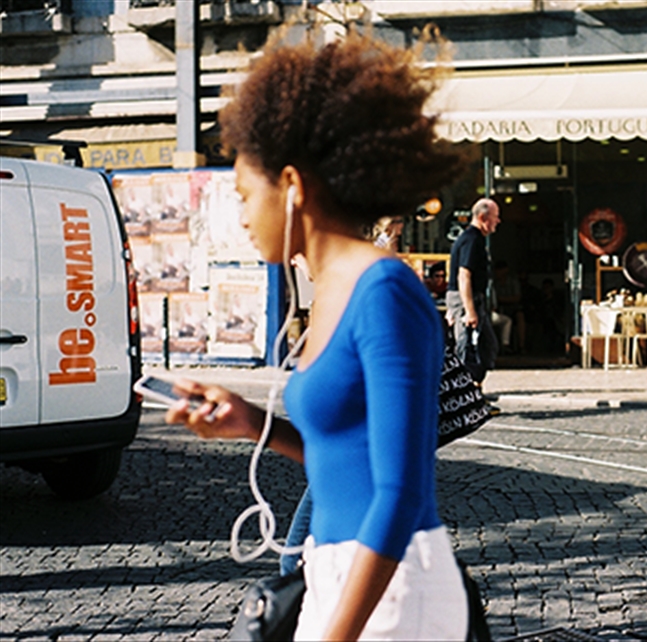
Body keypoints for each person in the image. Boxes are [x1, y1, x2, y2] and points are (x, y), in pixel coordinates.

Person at [165, 31, 469, 640]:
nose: (244, 216)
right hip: (339, 573)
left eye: (246, 196)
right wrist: (250, 423)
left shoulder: (384, 291)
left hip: (391, 587)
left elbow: (401, 491)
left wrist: (337, 634)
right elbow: (341, 457)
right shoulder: (331, 289)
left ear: (294, 186)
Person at [446, 197, 500, 384]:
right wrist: (469, 311)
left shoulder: (475, 239)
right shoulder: (471, 240)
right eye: (495, 217)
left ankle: (475, 392)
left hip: (472, 298)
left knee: (486, 346)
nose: (498, 221)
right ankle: (462, 396)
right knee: (467, 348)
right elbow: (464, 276)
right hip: (465, 299)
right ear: (483, 217)